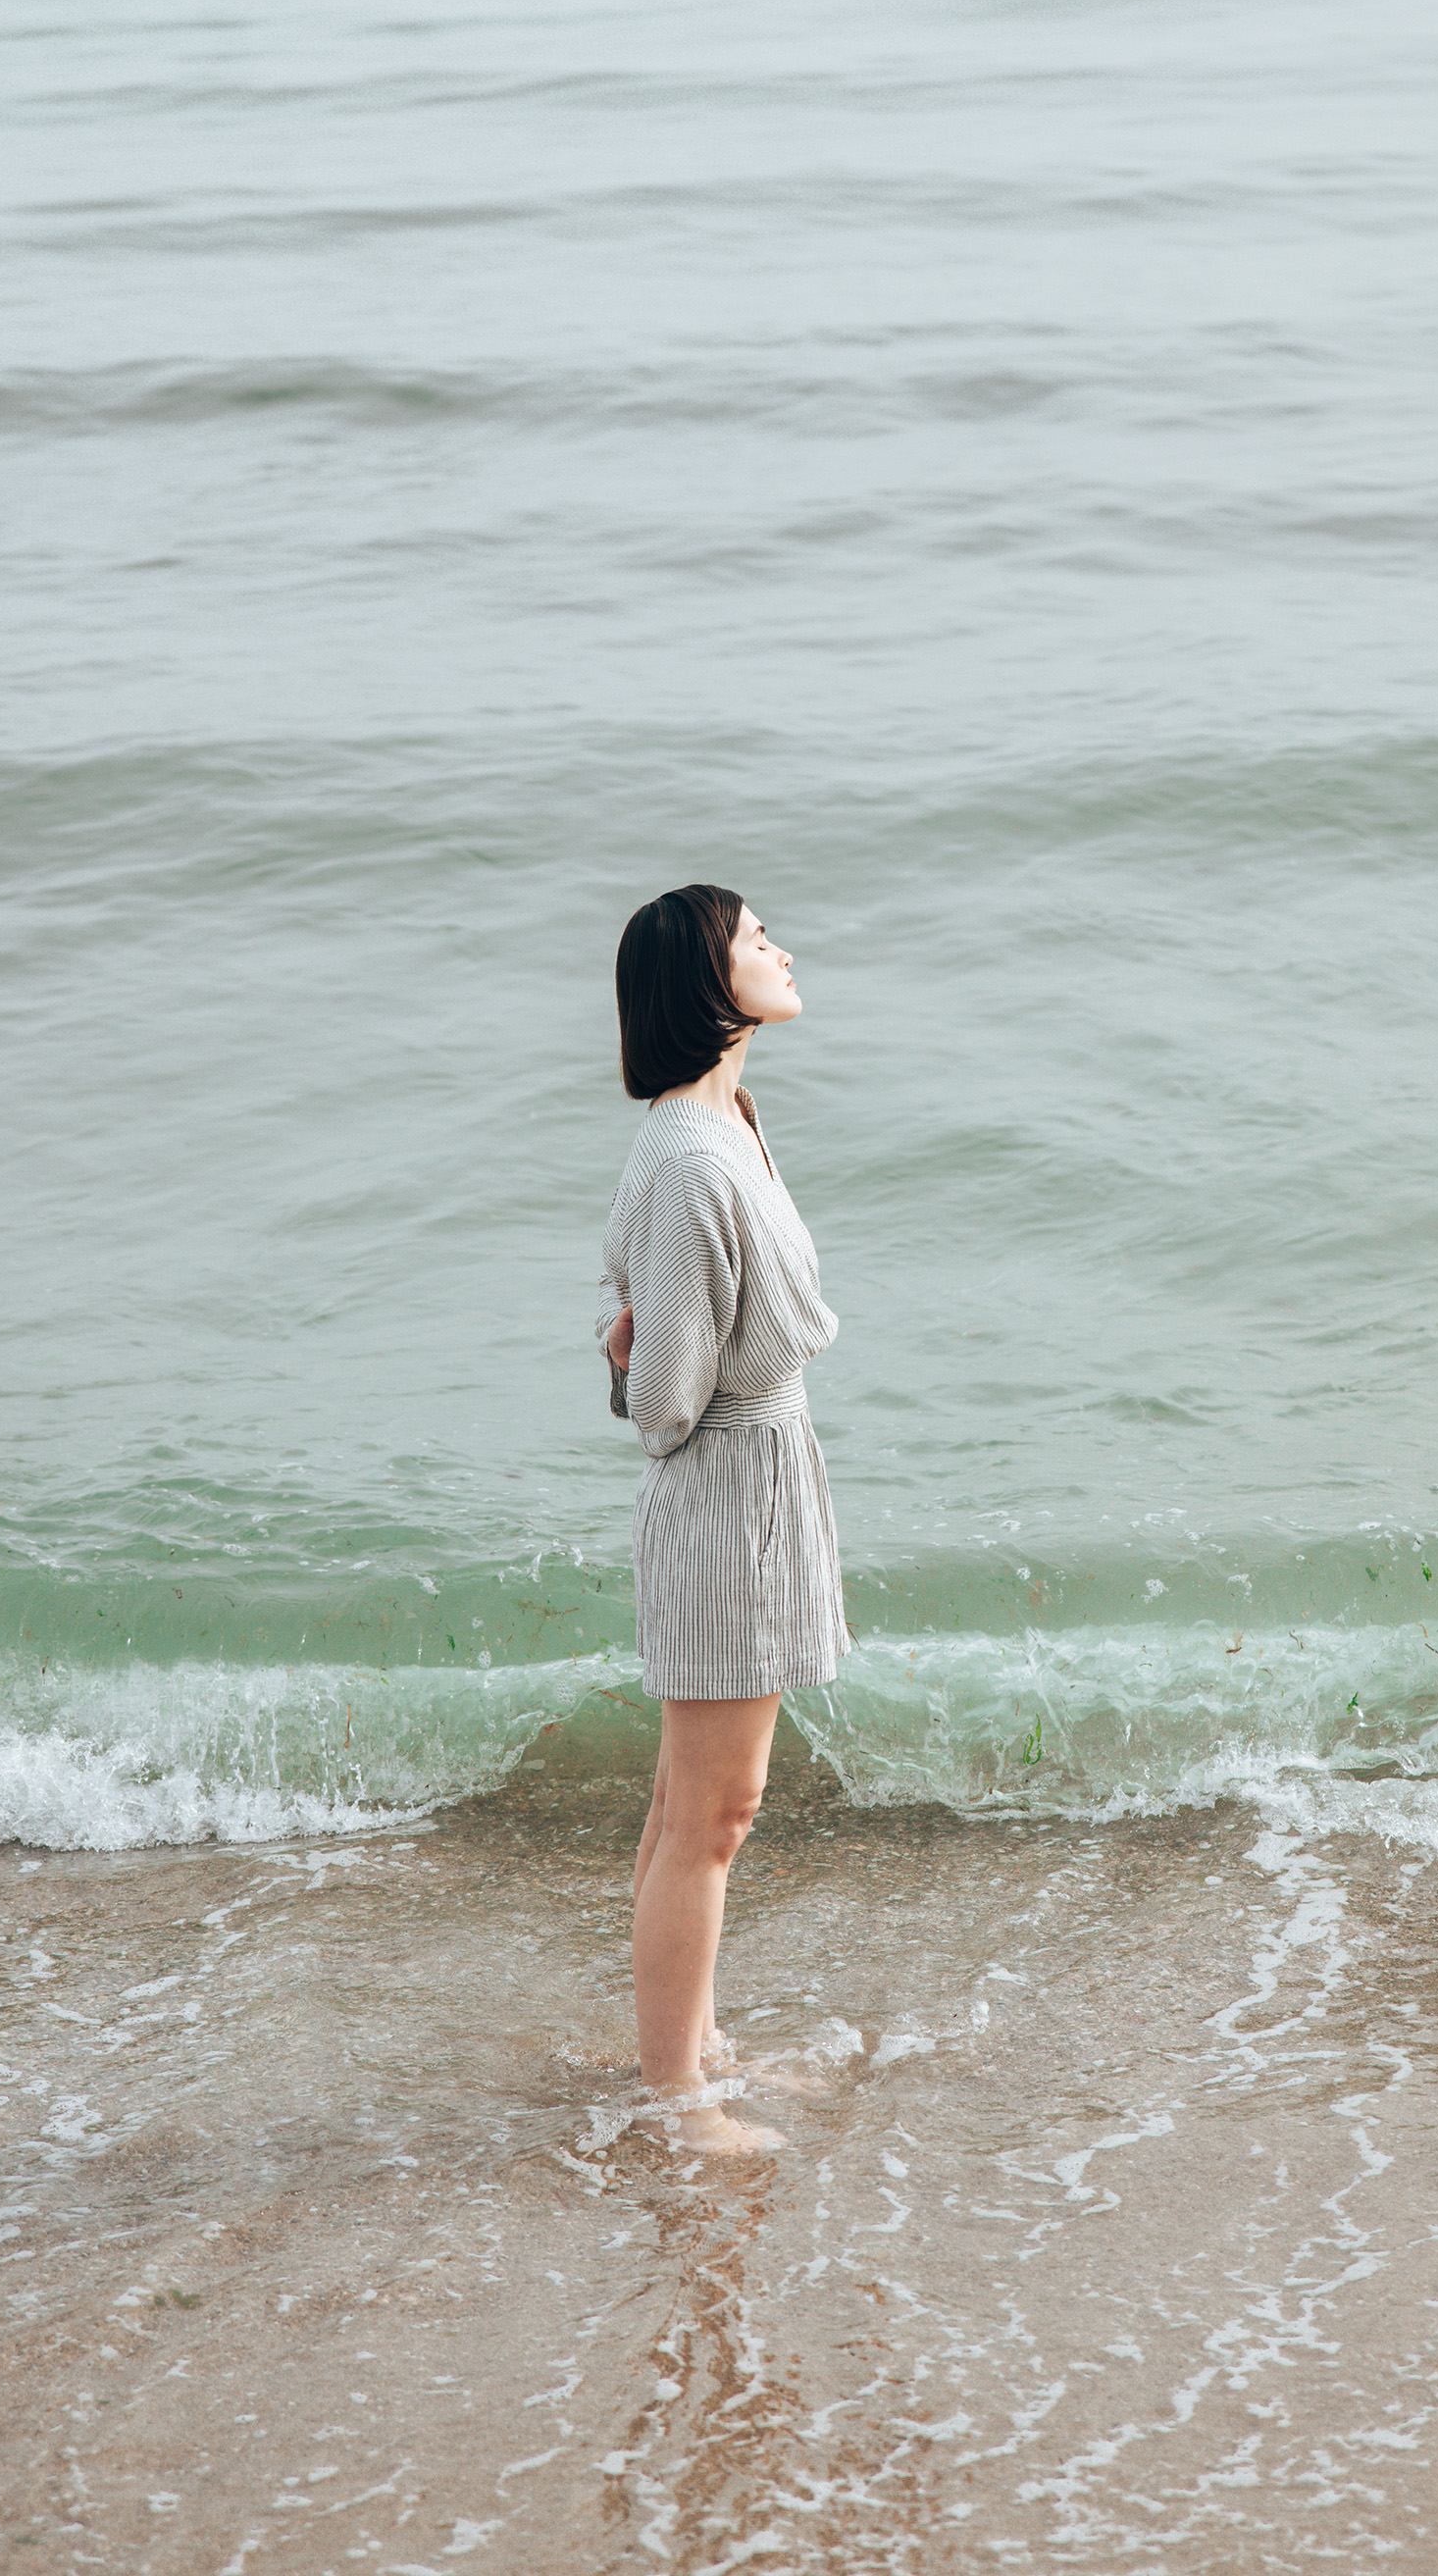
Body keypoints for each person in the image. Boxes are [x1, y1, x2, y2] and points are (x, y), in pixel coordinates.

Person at [596, 884, 848, 2152]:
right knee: (712, 1815)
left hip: (755, 1481)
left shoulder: (731, 1122)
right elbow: (663, 1402)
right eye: (756, 940)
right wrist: (622, 1353)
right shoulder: (691, 1159)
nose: (781, 950)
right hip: (723, 1491)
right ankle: (675, 2099)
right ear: (705, 980)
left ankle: (691, 2047)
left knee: (689, 1806)